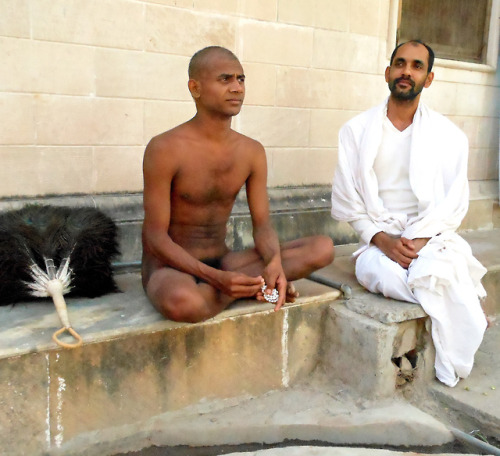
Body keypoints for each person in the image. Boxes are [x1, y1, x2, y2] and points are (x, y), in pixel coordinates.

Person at [331, 40, 488, 387]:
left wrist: (418, 240)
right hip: (380, 238)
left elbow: (454, 204)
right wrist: (382, 240)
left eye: (417, 66)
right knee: (383, 275)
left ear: (428, 78)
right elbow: (349, 203)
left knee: (441, 266)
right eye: (400, 64)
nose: (406, 71)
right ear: (388, 73)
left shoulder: (450, 137)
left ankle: (453, 308)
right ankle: (459, 307)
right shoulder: (355, 131)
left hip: (429, 236)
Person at [142, 46, 334, 324]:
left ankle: (244, 285)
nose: (237, 88)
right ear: (194, 88)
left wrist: (274, 264)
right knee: (184, 304)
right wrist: (218, 281)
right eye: (225, 79)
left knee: (323, 248)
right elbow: (155, 238)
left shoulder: (251, 151)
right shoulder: (164, 148)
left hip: (224, 260)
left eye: (241, 79)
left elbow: (263, 224)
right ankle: (243, 290)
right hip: (171, 267)